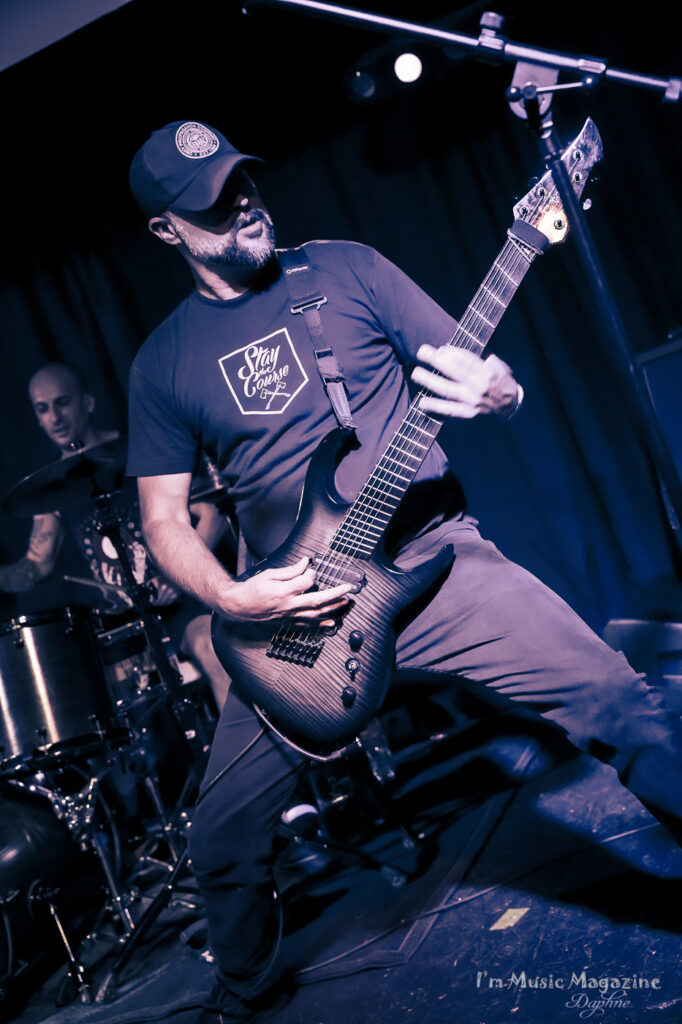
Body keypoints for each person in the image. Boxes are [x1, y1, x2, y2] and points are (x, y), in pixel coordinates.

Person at [126, 120, 682, 1023]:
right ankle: (246, 993)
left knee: (616, 701)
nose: (243, 206)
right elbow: (161, 519)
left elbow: (476, 366)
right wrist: (231, 594)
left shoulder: (345, 269)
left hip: (435, 563)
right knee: (220, 840)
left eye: (242, 183)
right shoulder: (163, 362)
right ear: (167, 231)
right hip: (299, 618)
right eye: (213, 206)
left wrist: (502, 391)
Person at [0, 362, 231, 708]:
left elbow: (214, 516)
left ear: (87, 403)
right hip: (123, 625)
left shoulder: (134, 451)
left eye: (62, 403)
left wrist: (177, 574)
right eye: (43, 409)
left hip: (180, 606)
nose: (55, 418)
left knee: (213, 650)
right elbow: (36, 566)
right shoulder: (49, 490)